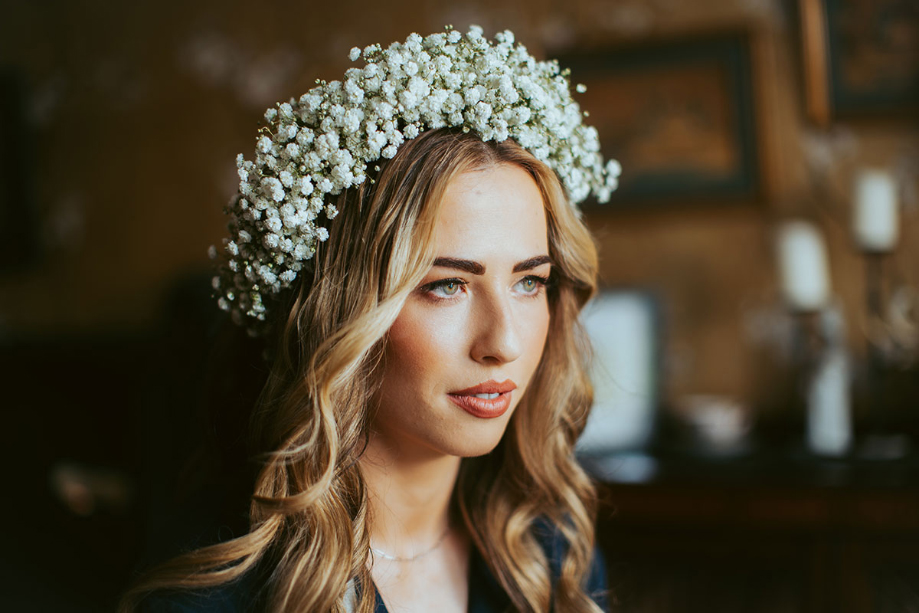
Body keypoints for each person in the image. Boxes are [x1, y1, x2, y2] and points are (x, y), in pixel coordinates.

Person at [120, 26, 620, 613]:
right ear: (344, 311)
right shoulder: (213, 600)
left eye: (529, 281)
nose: (504, 343)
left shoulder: (551, 555)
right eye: (447, 286)